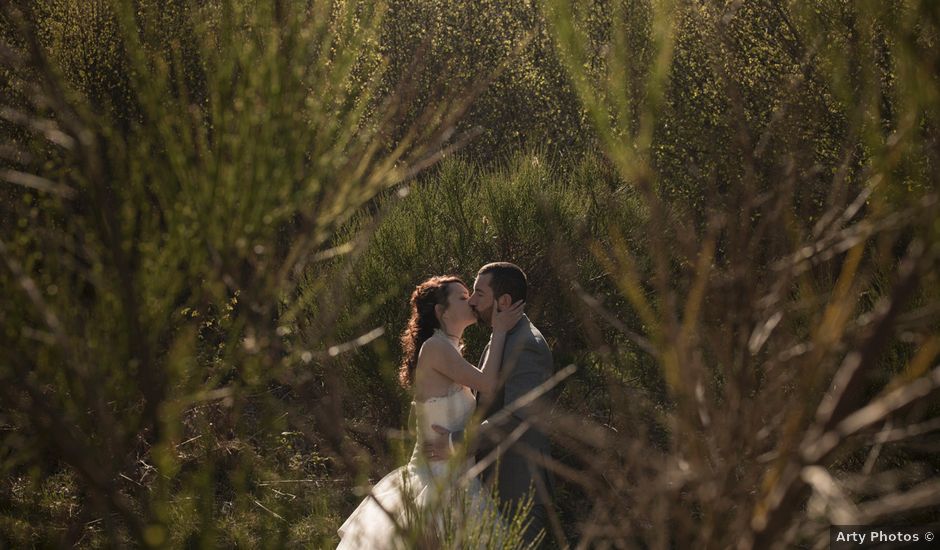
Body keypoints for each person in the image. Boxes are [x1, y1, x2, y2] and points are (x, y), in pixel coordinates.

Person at [336, 275, 524, 549]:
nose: (471, 300)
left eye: (471, 294)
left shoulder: (450, 350)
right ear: (441, 311)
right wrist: (500, 330)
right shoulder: (435, 347)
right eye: (462, 297)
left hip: (455, 476)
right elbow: (487, 383)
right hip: (434, 481)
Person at [426, 262, 555, 548]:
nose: (472, 301)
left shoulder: (527, 344)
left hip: (518, 484)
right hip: (490, 483)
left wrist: (454, 443)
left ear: (504, 301)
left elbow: (515, 419)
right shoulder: (501, 338)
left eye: (479, 294)